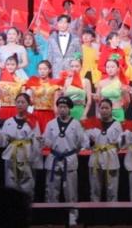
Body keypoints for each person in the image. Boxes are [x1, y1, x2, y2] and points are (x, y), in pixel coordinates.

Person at [43, 96, 85, 227]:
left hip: (69, 158)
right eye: (60, 107)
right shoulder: (51, 124)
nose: (62, 109)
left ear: (69, 109)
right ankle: (51, 217)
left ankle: (72, 217)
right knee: (51, 190)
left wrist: (73, 152)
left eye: (65, 107)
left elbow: (80, 142)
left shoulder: (76, 124)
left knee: (70, 191)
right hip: (54, 158)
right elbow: (46, 140)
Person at [0, 93, 39, 198]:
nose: (20, 104)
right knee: (10, 183)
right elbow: (3, 141)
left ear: (28, 104)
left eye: (23, 102)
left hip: (27, 155)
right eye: (18, 102)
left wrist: (35, 158)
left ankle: (27, 205)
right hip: (12, 155)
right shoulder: (9, 121)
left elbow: (36, 141)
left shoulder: (33, 121)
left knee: (27, 184)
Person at [86, 98, 122, 203]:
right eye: (102, 108)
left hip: (111, 157)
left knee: (112, 189)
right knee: (95, 189)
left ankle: (112, 210)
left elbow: (121, 142)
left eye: (107, 108)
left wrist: (117, 144)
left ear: (111, 109)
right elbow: (85, 141)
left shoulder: (117, 124)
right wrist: (91, 142)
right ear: (99, 109)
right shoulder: (92, 123)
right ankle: (94, 210)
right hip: (96, 157)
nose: (104, 110)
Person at [24, 60, 62, 132]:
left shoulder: (55, 84)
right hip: (35, 114)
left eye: (45, 69)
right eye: (40, 69)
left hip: (49, 114)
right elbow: (30, 102)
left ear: (50, 70)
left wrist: (58, 117)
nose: (42, 71)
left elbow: (56, 103)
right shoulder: (33, 83)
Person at [95, 57, 131, 122]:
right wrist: (98, 112)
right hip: (104, 113)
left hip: (117, 112)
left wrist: (121, 109)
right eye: (107, 67)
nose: (110, 69)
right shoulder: (101, 83)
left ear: (118, 68)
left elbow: (127, 101)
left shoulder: (121, 82)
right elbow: (98, 101)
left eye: (112, 67)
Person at [0, 54, 27, 122]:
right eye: (8, 64)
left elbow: (24, 100)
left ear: (16, 66)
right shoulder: (0, 82)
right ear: (5, 66)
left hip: (16, 110)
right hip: (3, 110)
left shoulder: (21, 82)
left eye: (12, 64)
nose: (10, 66)